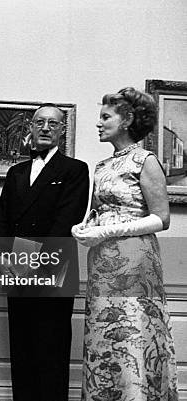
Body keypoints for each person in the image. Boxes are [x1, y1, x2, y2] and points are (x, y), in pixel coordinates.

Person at [72, 87, 178, 400]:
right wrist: (86, 227)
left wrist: (107, 232)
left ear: (127, 119)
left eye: (106, 117)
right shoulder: (102, 167)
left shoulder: (145, 161)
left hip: (136, 259)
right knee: (104, 335)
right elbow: (98, 212)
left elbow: (162, 218)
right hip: (102, 262)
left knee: (134, 332)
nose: (99, 123)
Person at [0, 104, 89, 400]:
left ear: (62, 130)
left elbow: (66, 220)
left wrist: (31, 261)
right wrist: (1, 257)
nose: (46, 128)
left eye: (53, 123)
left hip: (53, 268)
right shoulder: (16, 171)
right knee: (21, 348)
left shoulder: (75, 170)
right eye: (40, 122)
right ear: (31, 128)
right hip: (15, 270)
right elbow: (3, 217)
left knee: (51, 348)